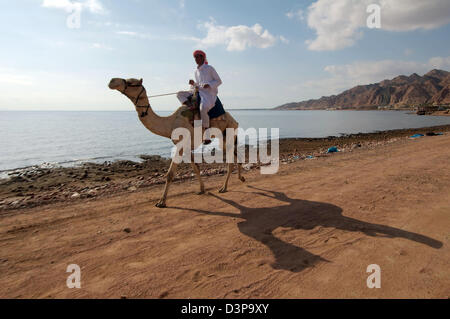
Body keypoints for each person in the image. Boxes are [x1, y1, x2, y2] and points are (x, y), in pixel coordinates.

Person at [177, 50, 222, 144]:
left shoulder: (210, 68)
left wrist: (209, 85)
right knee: (179, 94)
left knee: (203, 108)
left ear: (203, 57)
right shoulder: (195, 72)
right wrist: (193, 84)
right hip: (197, 92)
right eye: (195, 57)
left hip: (208, 94)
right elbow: (196, 86)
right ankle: (190, 106)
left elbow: (218, 81)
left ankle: (207, 134)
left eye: (198, 56)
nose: (196, 59)